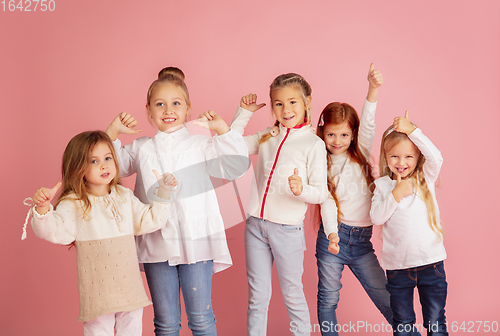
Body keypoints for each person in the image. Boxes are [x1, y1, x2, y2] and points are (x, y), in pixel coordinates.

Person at [105, 67, 249, 336]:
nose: (168, 110)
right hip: (156, 240)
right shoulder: (141, 147)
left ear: (187, 108)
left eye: (175, 103)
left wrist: (221, 128)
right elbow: (112, 165)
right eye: (160, 104)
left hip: (196, 241)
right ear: (148, 109)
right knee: (165, 322)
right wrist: (113, 131)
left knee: (202, 318)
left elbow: (235, 167)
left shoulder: (201, 144)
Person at [26, 130, 177, 336]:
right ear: (78, 168)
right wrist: (42, 209)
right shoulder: (75, 203)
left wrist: (164, 193)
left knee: (131, 330)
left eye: (107, 158)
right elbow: (54, 232)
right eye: (94, 161)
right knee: (98, 331)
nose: (104, 165)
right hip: (97, 291)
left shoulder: (124, 196)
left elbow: (150, 221)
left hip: (129, 287)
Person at [231, 73, 329, 336]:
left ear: (307, 102)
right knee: (257, 298)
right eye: (278, 103)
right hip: (255, 226)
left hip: (287, 230)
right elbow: (231, 147)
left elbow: (320, 193)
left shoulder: (314, 144)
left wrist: (301, 190)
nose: (286, 110)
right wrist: (243, 113)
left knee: (293, 294)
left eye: (293, 102)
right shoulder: (267, 135)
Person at [315, 64, 393, 335]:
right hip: (332, 239)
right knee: (328, 298)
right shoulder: (319, 163)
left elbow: (368, 121)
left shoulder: (358, 152)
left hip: (361, 242)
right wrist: (333, 235)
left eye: (344, 134)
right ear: (322, 133)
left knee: (386, 297)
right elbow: (325, 201)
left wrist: (373, 89)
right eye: (331, 134)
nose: (337, 140)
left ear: (353, 135)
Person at [370, 111, 447, 335]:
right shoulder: (383, 185)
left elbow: (436, 157)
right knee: (403, 324)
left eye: (408, 157)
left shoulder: (425, 178)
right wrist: (396, 194)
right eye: (394, 157)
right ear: (386, 156)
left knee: (435, 321)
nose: (401, 163)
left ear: (417, 157)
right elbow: (376, 217)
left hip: (431, 264)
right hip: (398, 269)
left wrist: (412, 131)